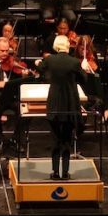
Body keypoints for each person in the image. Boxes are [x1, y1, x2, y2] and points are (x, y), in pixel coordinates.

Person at [38, 34, 88, 180]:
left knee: (55, 139)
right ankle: (65, 172)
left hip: (54, 104)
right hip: (69, 104)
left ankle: (54, 172)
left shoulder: (49, 60)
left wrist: (38, 64)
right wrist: (83, 68)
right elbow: (83, 79)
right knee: (66, 139)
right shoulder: (74, 62)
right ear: (67, 46)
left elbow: (41, 69)